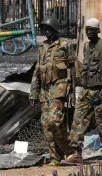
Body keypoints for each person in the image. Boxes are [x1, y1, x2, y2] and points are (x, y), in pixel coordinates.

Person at [62, 18, 102, 165]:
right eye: (87, 30)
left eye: (92, 30)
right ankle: (77, 154)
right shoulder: (85, 47)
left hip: (99, 92)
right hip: (86, 91)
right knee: (77, 121)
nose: (89, 33)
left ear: (97, 31)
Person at [29, 16, 77, 166]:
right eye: (45, 30)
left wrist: (74, 90)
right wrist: (33, 93)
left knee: (55, 121)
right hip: (45, 90)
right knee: (46, 125)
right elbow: (37, 72)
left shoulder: (65, 45)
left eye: (49, 30)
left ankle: (70, 151)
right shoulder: (42, 48)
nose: (47, 33)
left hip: (59, 88)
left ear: (55, 30)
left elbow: (74, 67)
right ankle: (55, 158)